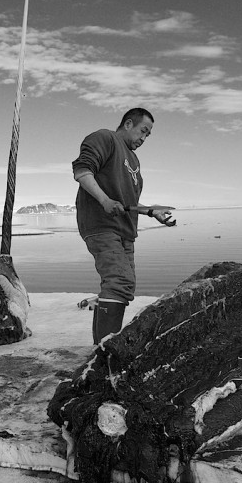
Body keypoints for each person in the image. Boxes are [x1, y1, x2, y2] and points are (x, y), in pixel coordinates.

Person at [72, 108, 175, 344]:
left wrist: (151, 211)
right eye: (143, 131)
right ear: (128, 124)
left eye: (148, 135)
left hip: (125, 232)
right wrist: (104, 200)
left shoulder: (134, 160)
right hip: (102, 225)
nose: (144, 138)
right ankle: (103, 354)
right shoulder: (105, 138)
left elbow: (127, 201)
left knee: (123, 286)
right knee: (119, 282)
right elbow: (82, 170)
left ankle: (101, 350)